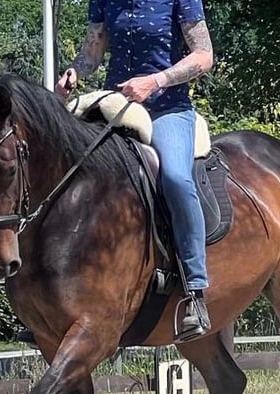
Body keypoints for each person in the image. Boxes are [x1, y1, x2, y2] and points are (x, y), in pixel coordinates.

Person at [57, 0, 214, 342]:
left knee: (175, 177)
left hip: (167, 110)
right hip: (118, 106)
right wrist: (75, 72)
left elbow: (204, 56)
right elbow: (93, 48)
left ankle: (194, 291)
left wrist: (155, 81)